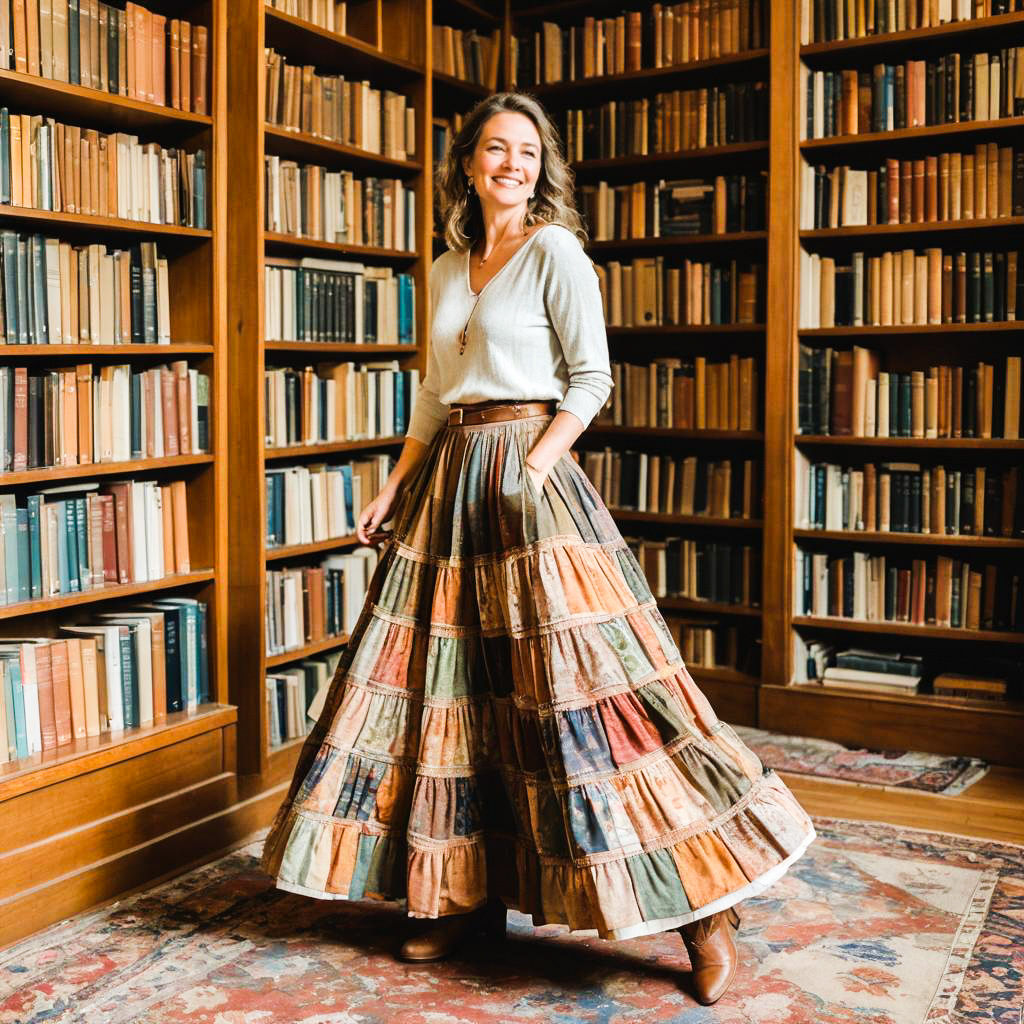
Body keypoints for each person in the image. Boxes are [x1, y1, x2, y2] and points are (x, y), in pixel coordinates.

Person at [261, 91, 817, 1007]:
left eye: (526, 151)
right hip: (451, 488)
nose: (510, 163)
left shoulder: (557, 251)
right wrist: (392, 490)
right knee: (453, 694)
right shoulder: (444, 270)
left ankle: (703, 915)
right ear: (469, 164)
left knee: (590, 698)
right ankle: (465, 895)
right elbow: (437, 399)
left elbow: (591, 381)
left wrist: (533, 466)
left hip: (532, 482)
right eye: (494, 149)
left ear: (540, 167)